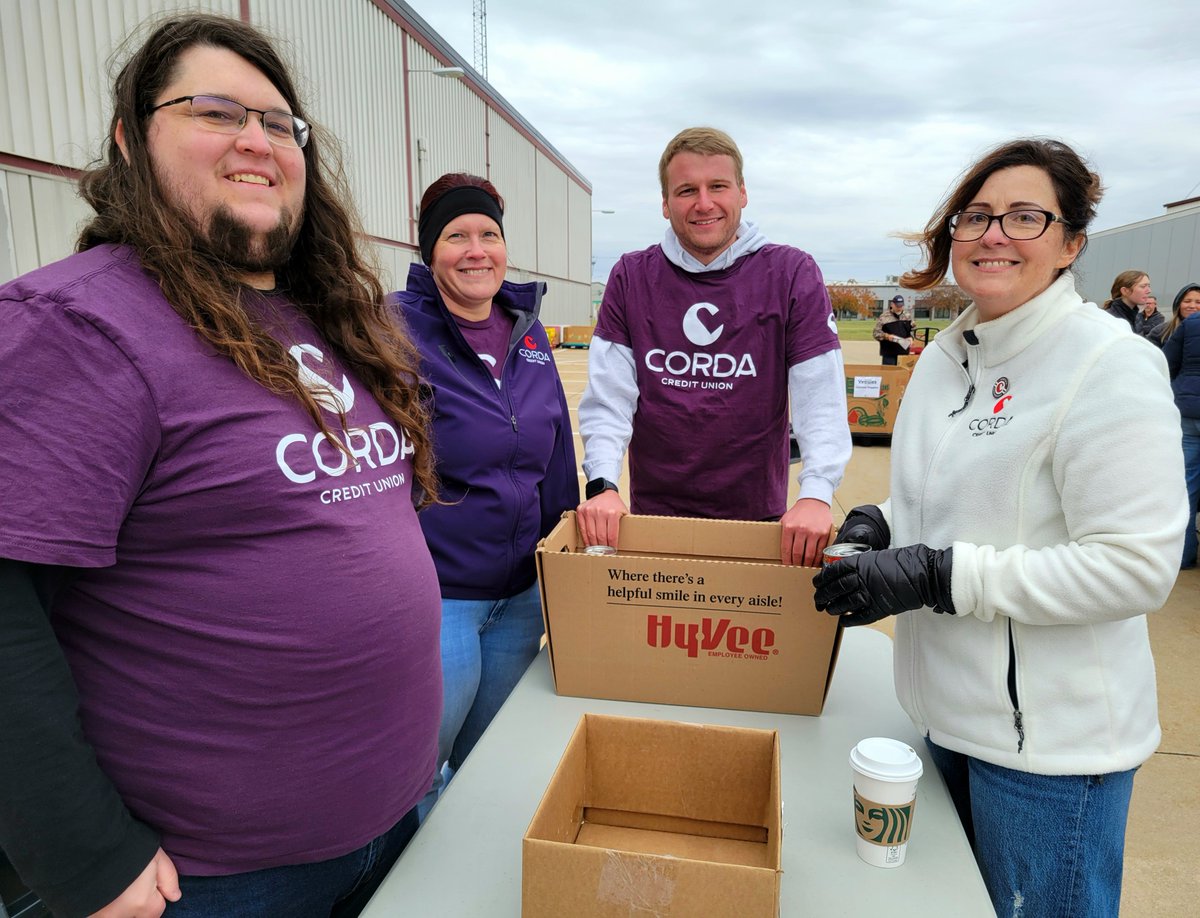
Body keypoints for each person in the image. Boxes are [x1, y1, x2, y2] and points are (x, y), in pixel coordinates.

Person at [0, 14, 442, 918]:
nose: (256, 140)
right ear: (130, 141)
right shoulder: (79, 326)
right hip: (214, 881)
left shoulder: (331, 319)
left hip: (390, 825)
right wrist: (85, 860)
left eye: (280, 123)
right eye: (213, 110)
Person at [813, 139, 1186, 915]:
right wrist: (881, 524)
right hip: (944, 719)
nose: (992, 235)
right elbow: (953, 506)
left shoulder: (1106, 364)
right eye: (976, 216)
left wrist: (939, 575)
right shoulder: (949, 357)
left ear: (1072, 243)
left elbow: (1134, 568)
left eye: (1025, 217)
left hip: (1048, 752)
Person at [575, 126, 851, 566]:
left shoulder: (790, 273)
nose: (703, 203)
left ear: (742, 193)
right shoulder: (631, 276)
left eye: (717, 186)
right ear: (666, 204)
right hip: (652, 522)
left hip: (759, 525)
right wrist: (603, 485)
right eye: (686, 190)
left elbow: (820, 396)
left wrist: (817, 494)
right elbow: (608, 399)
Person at [391, 173, 578, 815]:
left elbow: (555, 447)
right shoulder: (393, 328)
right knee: (416, 768)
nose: (476, 249)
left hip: (520, 597)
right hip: (439, 595)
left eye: (489, 234)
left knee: (486, 763)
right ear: (428, 251)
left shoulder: (525, 330)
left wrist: (567, 543)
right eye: (456, 235)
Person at [1161, 283, 1200, 569]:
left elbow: (1165, 364)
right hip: (1187, 410)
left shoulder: (1191, 325)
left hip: (1188, 411)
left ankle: (1183, 556)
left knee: (1185, 485)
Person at [873, 294, 914, 364]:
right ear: (892, 304)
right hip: (889, 353)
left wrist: (911, 337)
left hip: (904, 352)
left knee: (902, 374)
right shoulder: (884, 317)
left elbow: (912, 330)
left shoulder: (908, 316)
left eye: (901, 306)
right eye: (897, 305)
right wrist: (887, 336)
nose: (899, 308)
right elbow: (876, 333)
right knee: (889, 373)